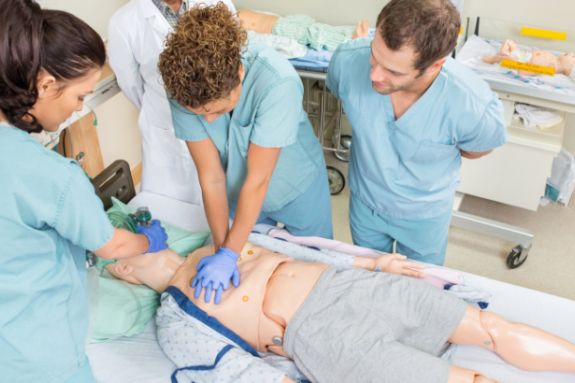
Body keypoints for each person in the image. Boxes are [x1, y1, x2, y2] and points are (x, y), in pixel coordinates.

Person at [102, 240, 575, 383]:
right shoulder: (174, 318)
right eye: (117, 252)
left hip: (353, 285)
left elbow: (292, 250)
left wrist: (370, 263)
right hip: (325, 338)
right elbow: (230, 371)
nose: (129, 242)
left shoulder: (221, 237)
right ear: (123, 273)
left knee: (491, 328)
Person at [0, 1, 169, 382]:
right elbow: (111, 246)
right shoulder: (51, 176)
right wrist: (148, 242)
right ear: (45, 86)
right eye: (79, 97)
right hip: (38, 357)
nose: (78, 110)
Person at [158, 4, 333, 304]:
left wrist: (230, 253)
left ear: (239, 73)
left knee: (316, 267)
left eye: (217, 111)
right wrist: (221, 248)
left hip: (295, 185)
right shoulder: (182, 89)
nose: (209, 121)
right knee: (248, 258)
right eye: (200, 115)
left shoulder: (277, 82)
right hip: (238, 190)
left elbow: (258, 180)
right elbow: (211, 177)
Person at [326, 0, 507, 265]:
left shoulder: (471, 105)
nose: (374, 75)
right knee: (368, 279)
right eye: (374, 55)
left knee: (420, 286)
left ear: (434, 66)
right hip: (365, 201)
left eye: (393, 71)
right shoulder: (346, 62)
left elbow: (476, 149)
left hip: (424, 214)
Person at [108, 0, 236, 206]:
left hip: (216, 123)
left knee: (223, 201)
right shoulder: (124, 22)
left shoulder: (216, 2)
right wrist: (165, 109)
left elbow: (232, 62)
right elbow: (131, 85)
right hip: (165, 130)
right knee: (171, 213)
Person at [237, 9, 369, 52]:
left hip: (280, 22)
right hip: (278, 28)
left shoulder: (226, 12)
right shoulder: (227, 25)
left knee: (310, 28)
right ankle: (347, 40)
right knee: (309, 33)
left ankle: (344, 35)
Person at [483, 39, 575, 79]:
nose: (572, 54)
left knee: (507, 58)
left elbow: (533, 71)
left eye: (573, 57)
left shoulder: (552, 68)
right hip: (524, 55)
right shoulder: (555, 58)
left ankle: (493, 59)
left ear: (567, 70)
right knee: (509, 42)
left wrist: (522, 68)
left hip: (523, 61)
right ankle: (503, 53)